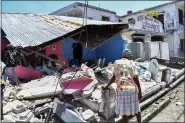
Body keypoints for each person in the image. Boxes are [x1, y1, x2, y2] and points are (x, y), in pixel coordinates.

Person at [102, 49, 142, 123]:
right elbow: (135, 77)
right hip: (132, 90)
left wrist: (107, 85)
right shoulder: (131, 63)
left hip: (121, 90)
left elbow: (114, 77)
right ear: (129, 56)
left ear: (123, 56)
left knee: (124, 112)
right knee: (137, 109)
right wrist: (140, 91)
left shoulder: (117, 62)